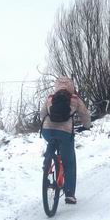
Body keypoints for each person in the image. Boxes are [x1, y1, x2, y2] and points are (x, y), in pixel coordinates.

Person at [40, 76, 92, 204]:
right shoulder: (74, 99)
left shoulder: (50, 98)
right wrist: (86, 126)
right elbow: (85, 114)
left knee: (52, 140)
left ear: (56, 86)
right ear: (71, 86)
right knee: (69, 162)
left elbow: (42, 114)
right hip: (64, 133)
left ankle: (48, 159)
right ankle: (69, 194)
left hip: (47, 130)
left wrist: (45, 124)